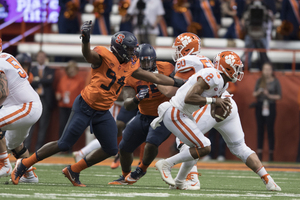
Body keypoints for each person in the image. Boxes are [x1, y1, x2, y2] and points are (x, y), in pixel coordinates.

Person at [11, 21, 185, 186]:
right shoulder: (104, 56)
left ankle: (74, 170)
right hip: (85, 106)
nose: (134, 53)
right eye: (131, 50)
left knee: (110, 149)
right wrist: (86, 40)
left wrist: (178, 82)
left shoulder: (131, 65)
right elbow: (87, 55)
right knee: (64, 144)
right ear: (121, 49)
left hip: (102, 111)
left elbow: (154, 77)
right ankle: (24, 164)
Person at [153, 51, 281, 191]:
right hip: (181, 110)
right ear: (227, 68)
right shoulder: (209, 73)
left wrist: (215, 105)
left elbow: (207, 98)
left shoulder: (220, 80)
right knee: (200, 144)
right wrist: (214, 101)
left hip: (210, 106)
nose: (238, 72)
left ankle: (182, 180)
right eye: (236, 68)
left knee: (196, 144)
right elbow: (189, 96)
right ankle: (184, 177)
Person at [108, 43, 174, 185]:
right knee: (124, 147)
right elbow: (127, 103)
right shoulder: (132, 73)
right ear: (137, 60)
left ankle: (141, 170)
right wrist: (136, 99)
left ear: (154, 59)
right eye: (143, 61)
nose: (146, 63)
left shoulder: (167, 68)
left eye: (149, 60)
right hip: (143, 115)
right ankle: (125, 176)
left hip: (163, 116)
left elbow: (177, 85)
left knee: (151, 143)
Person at [0, 42, 42, 183]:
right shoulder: (6, 56)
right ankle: (29, 176)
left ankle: (4, 164)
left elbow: (3, 92)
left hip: (25, 106)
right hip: (26, 105)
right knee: (14, 144)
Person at [25, 51, 56, 152]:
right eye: (39, 56)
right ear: (36, 58)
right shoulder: (32, 69)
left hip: (44, 100)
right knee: (30, 126)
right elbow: (29, 82)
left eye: (43, 56)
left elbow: (49, 81)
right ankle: (26, 148)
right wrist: (42, 80)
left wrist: (37, 80)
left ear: (45, 58)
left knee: (43, 126)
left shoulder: (50, 70)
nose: (41, 58)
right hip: (33, 100)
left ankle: (39, 150)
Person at [253, 62, 281, 162]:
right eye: (265, 69)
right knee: (260, 129)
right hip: (260, 105)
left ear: (272, 70)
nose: (267, 72)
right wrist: (259, 92)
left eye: (269, 69)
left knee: (270, 130)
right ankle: (259, 153)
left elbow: (279, 96)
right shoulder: (260, 80)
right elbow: (254, 93)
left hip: (270, 105)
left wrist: (268, 95)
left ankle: (270, 154)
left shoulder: (275, 81)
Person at [56, 60, 85, 138]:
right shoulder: (63, 79)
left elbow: (82, 94)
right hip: (63, 105)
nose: (71, 70)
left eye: (73, 68)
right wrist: (58, 95)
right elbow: (58, 90)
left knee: (71, 126)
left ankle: (69, 148)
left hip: (74, 107)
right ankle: (59, 146)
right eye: (70, 68)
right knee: (62, 125)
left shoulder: (80, 80)